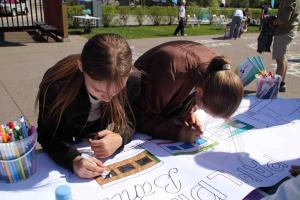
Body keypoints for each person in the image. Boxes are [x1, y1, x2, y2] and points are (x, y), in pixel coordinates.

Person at [35, 33, 135, 179]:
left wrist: (120, 138)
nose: (107, 98)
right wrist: (72, 159)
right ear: (81, 66)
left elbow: (133, 120)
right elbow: (47, 135)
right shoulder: (56, 85)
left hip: (93, 141)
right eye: (98, 90)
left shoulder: (132, 80)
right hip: (66, 138)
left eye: (116, 91)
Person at [133, 41, 244, 143]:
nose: (202, 110)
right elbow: (142, 117)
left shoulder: (218, 70)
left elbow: (187, 91)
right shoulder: (170, 74)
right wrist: (178, 133)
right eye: (204, 109)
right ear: (200, 92)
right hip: (133, 94)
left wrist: (188, 112)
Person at [272, 0, 299, 92]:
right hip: (289, 30)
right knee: (283, 58)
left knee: (280, 60)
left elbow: (283, 20)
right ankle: (281, 83)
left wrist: (271, 22)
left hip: (284, 31)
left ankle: (276, 86)